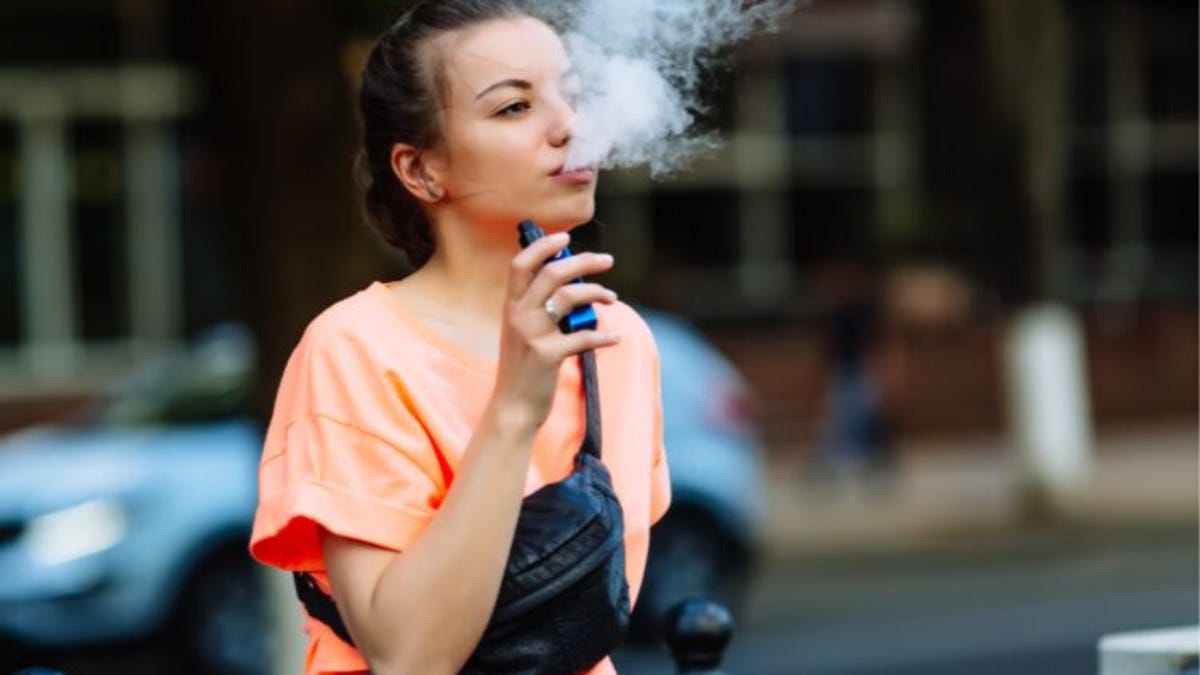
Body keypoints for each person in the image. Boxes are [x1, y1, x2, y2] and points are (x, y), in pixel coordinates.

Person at [248, 1, 672, 674]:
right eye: (514, 108)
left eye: (572, 94)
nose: (568, 126)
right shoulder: (354, 350)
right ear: (420, 171)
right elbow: (409, 657)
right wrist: (515, 406)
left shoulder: (618, 340)